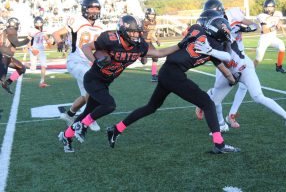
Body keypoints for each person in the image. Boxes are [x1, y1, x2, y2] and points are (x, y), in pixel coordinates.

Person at [104, 14, 241, 154]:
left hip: (166, 72)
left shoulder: (196, 28)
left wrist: (230, 78)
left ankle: (116, 129)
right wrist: (232, 80)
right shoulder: (216, 48)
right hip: (174, 75)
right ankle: (219, 144)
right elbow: (225, 67)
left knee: (151, 107)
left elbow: (192, 36)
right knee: (207, 103)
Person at [57, 14, 195, 153]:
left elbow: (159, 52)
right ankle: (83, 126)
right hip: (93, 79)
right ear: (123, 31)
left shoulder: (139, 46)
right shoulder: (110, 39)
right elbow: (86, 47)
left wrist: (179, 45)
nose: (136, 35)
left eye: (138, 32)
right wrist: (95, 61)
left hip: (105, 82)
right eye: (133, 32)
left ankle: (66, 136)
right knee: (109, 105)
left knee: (88, 112)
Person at [194, 9, 286, 134]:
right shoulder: (209, 37)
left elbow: (228, 55)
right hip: (228, 72)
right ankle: (222, 124)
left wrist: (211, 51)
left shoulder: (225, 31)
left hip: (243, 67)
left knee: (258, 96)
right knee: (214, 101)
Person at [195, 0, 258, 129]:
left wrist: (244, 28)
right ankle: (220, 122)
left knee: (244, 87)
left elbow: (254, 26)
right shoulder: (209, 24)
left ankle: (231, 115)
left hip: (240, 56)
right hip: (224, 58)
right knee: (218, 93)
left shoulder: (234, 14)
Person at [52, 0, 104, 131]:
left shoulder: (101, 26)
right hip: (76, 60)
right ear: (85, 9)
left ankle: (69, 114)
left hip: (89, 63)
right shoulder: (77, 20)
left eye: (96, 8)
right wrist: (59, 41)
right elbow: (56, 33)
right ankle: (89, 117)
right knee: (93, 85)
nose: (94, 11)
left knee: (85, 94)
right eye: (91, 8)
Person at [0, 17, 31, 94]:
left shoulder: (6, 31)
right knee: (1, 79)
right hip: (3, 56)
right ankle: (5, 83)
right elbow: (17, 43)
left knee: (22, 68)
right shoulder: (11, 31)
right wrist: (28, 39)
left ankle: (7, 83)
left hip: (7, 57)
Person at [256, 0, 286, 73]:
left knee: (282, 46)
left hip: (273, 38)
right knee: (258, 59)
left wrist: (283, 31)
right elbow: (265, 30)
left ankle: (279, 66)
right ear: (264, 7)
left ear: (274, 7)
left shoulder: (277, 14)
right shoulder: (262, 16)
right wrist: (276, 27)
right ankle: (250, 71)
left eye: (270, 7)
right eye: (267, 7)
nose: (268, 9)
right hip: (264, 39)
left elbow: (279, 22)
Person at [28, 16, 52, 88]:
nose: (39, 24)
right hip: (33, 49)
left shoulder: (44, 30)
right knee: (33, 68)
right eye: (37, 23)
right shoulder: (32, 31)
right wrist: (32, 50)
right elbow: (28, 44)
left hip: (41, 49)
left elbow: (46, 38)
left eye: (40, 22)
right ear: (34, 23)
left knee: (44, 65)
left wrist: (49, 42)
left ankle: (42, 82)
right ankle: (25, 65)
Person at [143, 8, 161, 82]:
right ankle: (139, 55)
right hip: (142, 42)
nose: (151, 16)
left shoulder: (154, 22)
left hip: (149, 42)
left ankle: (154, 75)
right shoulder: (143, 22)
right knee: (144, 62)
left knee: (155, 57)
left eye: (153, 14)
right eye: (150, 14)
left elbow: (152, 33)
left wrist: (156, 40)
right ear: (147, 14)